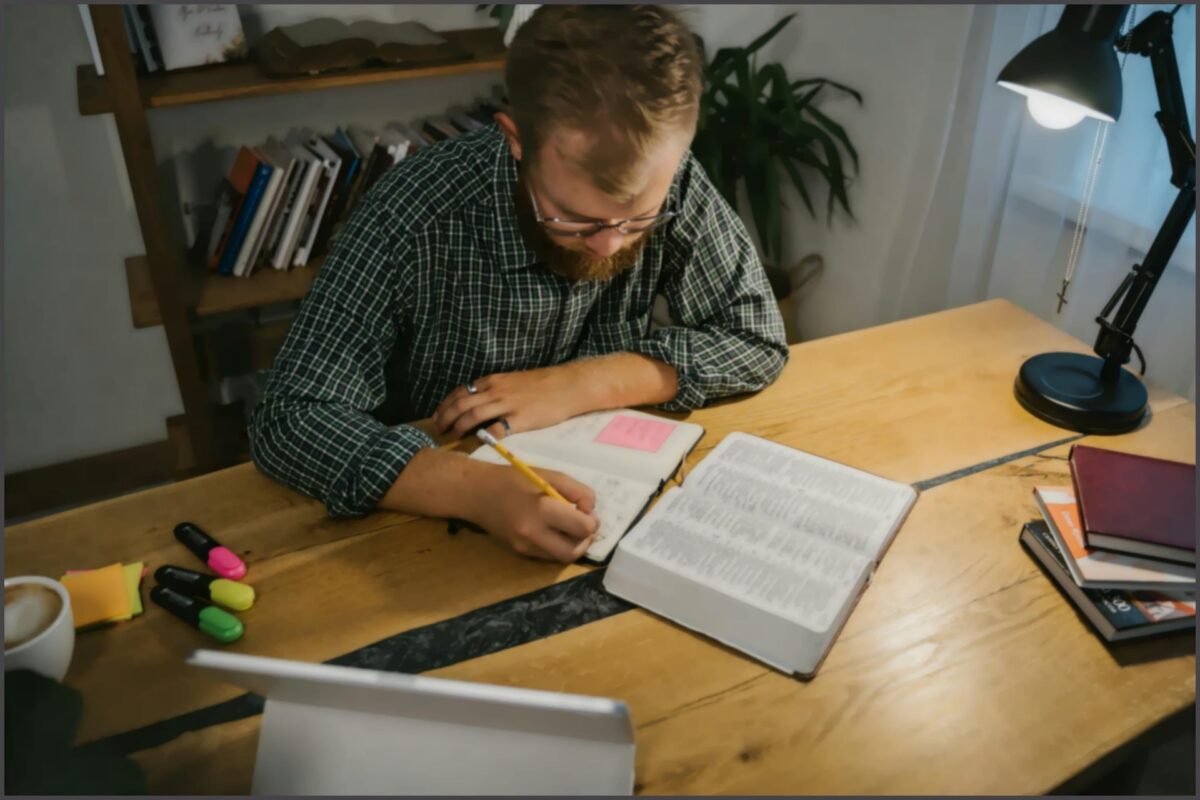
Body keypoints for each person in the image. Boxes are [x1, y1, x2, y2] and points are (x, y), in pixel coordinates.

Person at [250, 4, 788, 563]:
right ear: (516, 140)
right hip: (419, 531)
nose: (610, 246)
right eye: (574, 217)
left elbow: (756, 336)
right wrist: (472, 491)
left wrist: (583, 384)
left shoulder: (675, 183)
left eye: (638, 220)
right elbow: (291, 415)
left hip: (606, 498)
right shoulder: (414, 213)